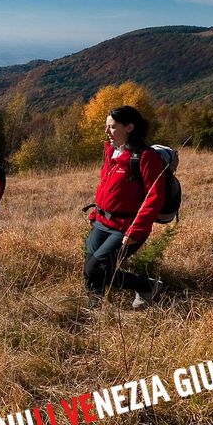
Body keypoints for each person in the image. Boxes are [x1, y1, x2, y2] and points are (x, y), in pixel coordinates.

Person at [84, 106, 167, 309]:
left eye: (112, 127)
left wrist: (136, 231)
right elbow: (107, 186)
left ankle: (150, 286)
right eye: (106, 126)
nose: (107, 131)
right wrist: (96, 212)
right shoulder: (112, 152)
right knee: (89, 269)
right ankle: (94, 309)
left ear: (129, 127)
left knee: (96, 268)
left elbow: (154, 198)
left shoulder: (145, 156)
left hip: (124, 226)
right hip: (102, 221)